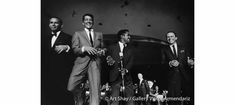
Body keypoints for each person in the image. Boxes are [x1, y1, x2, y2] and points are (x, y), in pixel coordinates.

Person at [67, 13, 105, 105]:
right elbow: (75, 50)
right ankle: (80, 95)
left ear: (93, 22)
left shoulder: (99, 34)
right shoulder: (77, 34)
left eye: (90, 20)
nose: (88, 21)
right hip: (81, 62)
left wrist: (102, 51)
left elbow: (103, 48)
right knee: (71, 86)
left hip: (95, 63)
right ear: (83, 23)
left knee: (95, 90)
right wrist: (84, 48)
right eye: (86, 20)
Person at [43, 17, 74, 105]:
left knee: (64, 99)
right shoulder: (45, 38)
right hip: (48, 75)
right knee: (50, 99)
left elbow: (75, 53)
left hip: (63, 75)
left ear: (61, 25)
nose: (53, 24)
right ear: (49, 25)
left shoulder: (68, 37)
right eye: (51, 22)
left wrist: (67, 47)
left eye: (56, 23)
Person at [161, 31, 194, 105]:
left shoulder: (183, 48)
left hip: (185, 77)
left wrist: (191, 63)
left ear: (176, 38)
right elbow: (162, 63)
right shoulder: (164, 50)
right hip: (172, 79)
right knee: (174, 101)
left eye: (172, 36)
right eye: (168, 37)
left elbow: (189, 60)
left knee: (189, 99)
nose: (170, 38)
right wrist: (170, 63)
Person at [106, 29, 135, 105]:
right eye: (127, 35)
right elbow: (106, 58)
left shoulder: (131, 49)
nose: (129, 36)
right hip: (114, 77)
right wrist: (108, 60)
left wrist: (126, 70)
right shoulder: (111, 47)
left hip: (127, 78)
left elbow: (131, 62)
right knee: (114, 101)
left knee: (130, 101)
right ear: (122, 36)